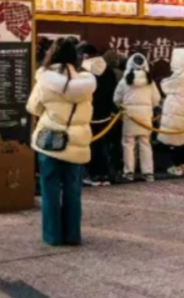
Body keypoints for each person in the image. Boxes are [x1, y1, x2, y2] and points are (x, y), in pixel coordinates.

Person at [28, 37, 95, 245]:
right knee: (73, 191)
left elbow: (33, 108)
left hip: (51, 142)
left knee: (50, 190)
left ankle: (52, 236)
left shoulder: (45, 80)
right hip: (77, 143)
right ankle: (73, 235)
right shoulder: (85, 83)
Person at [115, 53, 160, 182]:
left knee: (128, 144)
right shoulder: (150, 81)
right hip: (145, 116)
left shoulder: (125, 80)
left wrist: (122, 106)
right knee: (145, 143)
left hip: (129, 116)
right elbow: (156, 99)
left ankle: (129, 172)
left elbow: (116, 98)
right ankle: (148, 172)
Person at [82, 43, 118, 187]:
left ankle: (93, 175)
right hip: (106, 115)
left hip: (89, 114)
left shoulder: (85, 71)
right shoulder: (109, 70)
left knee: (91, 145)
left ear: (85, 56)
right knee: (104, 146)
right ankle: (105, 175)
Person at [159, 48, 184, 177]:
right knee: (181, 141)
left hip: (175, 112)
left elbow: (165, 85)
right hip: (181, 112)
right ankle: (183, 165)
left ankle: (177, 166)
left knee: (174, 142)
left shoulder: (180, 76)